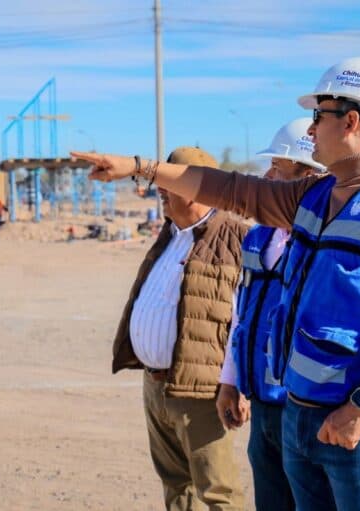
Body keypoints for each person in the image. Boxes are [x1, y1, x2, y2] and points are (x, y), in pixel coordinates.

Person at [74, 57, 360, 511]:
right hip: (301, 412)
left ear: (351, 121)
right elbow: (229, 188)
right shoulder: (313, 196)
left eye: (319, 116)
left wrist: (359, 406)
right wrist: (139, 167)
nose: (311, 131)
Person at [111, 146, 246, 510]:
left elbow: (246, 319)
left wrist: (240, 386)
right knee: (176, 486)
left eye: (170, 183)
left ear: (199, 190)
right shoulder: (171, 235)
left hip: (200, 390)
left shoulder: (236, 240)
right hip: (156, 386)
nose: (161, 190)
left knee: (218, 492)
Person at [216, 118, 325, 511]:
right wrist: (231, 380)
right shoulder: (258, 236)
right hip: (261, 404)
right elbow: (242, 312)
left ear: (307, 177)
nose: (267, 176)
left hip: (303, 407)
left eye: (278, 167)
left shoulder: (324, 242)